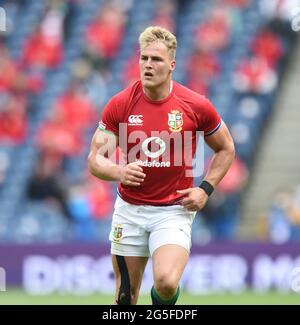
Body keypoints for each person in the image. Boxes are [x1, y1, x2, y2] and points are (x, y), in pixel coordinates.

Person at [88, 26, 235, 305]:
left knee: (166, 283)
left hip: (173, 210)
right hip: (130, 209)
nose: (148, 65)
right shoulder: (120, 105)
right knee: (124, 296)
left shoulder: (195, 105)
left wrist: (205, 189)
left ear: (172, 65)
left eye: (156, 59)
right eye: (144, 58)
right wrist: (119, 171)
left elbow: (226, 148)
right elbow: (95, 160)